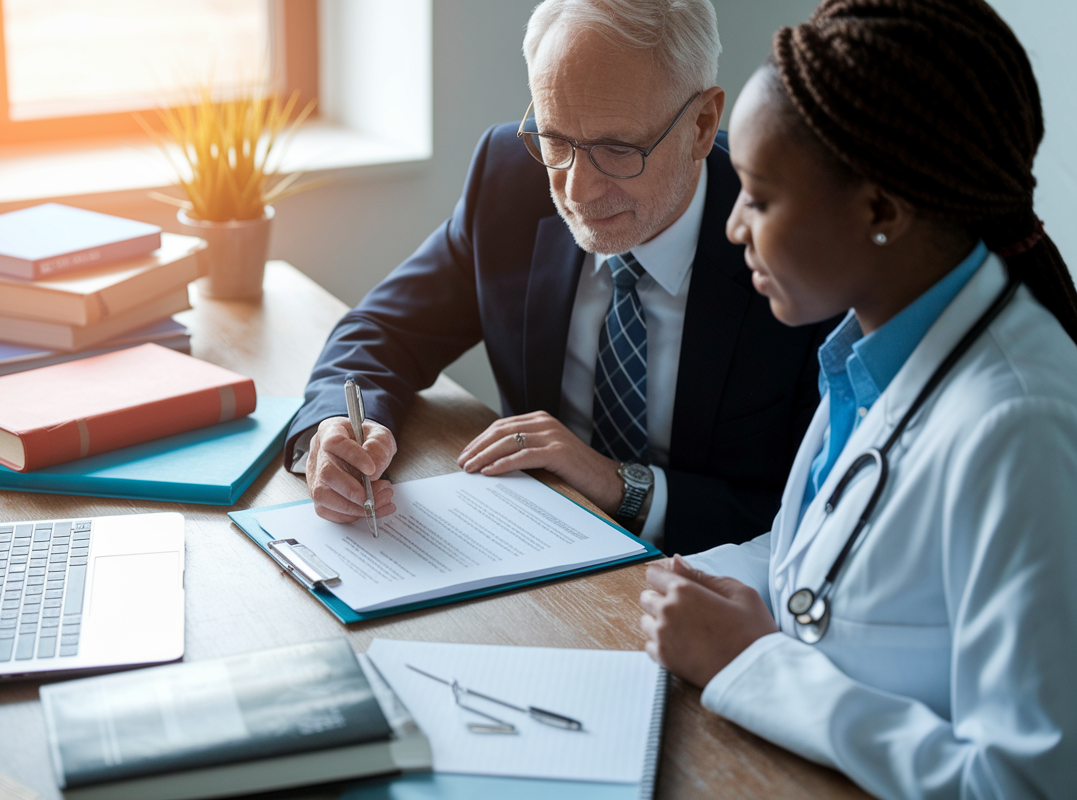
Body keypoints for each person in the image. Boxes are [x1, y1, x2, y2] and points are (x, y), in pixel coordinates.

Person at [637, 0, 1077, 796]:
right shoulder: (868, 352)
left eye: (759, 198)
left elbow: (1022, 781)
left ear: (881, 209)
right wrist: (663, 584)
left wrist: (749, 661)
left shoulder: (1018, 428)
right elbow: (826, 568)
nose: (735, 227)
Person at [285, 0, 838, 555]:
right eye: (555, 140)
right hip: (531, 560)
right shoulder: (508, 177)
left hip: (715, 588)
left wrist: (617, 484)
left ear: (701, 125)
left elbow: (814, 507)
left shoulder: (790, 243)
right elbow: (383, 330)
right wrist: (334, 429)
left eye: (617, 149)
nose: (577, 191)